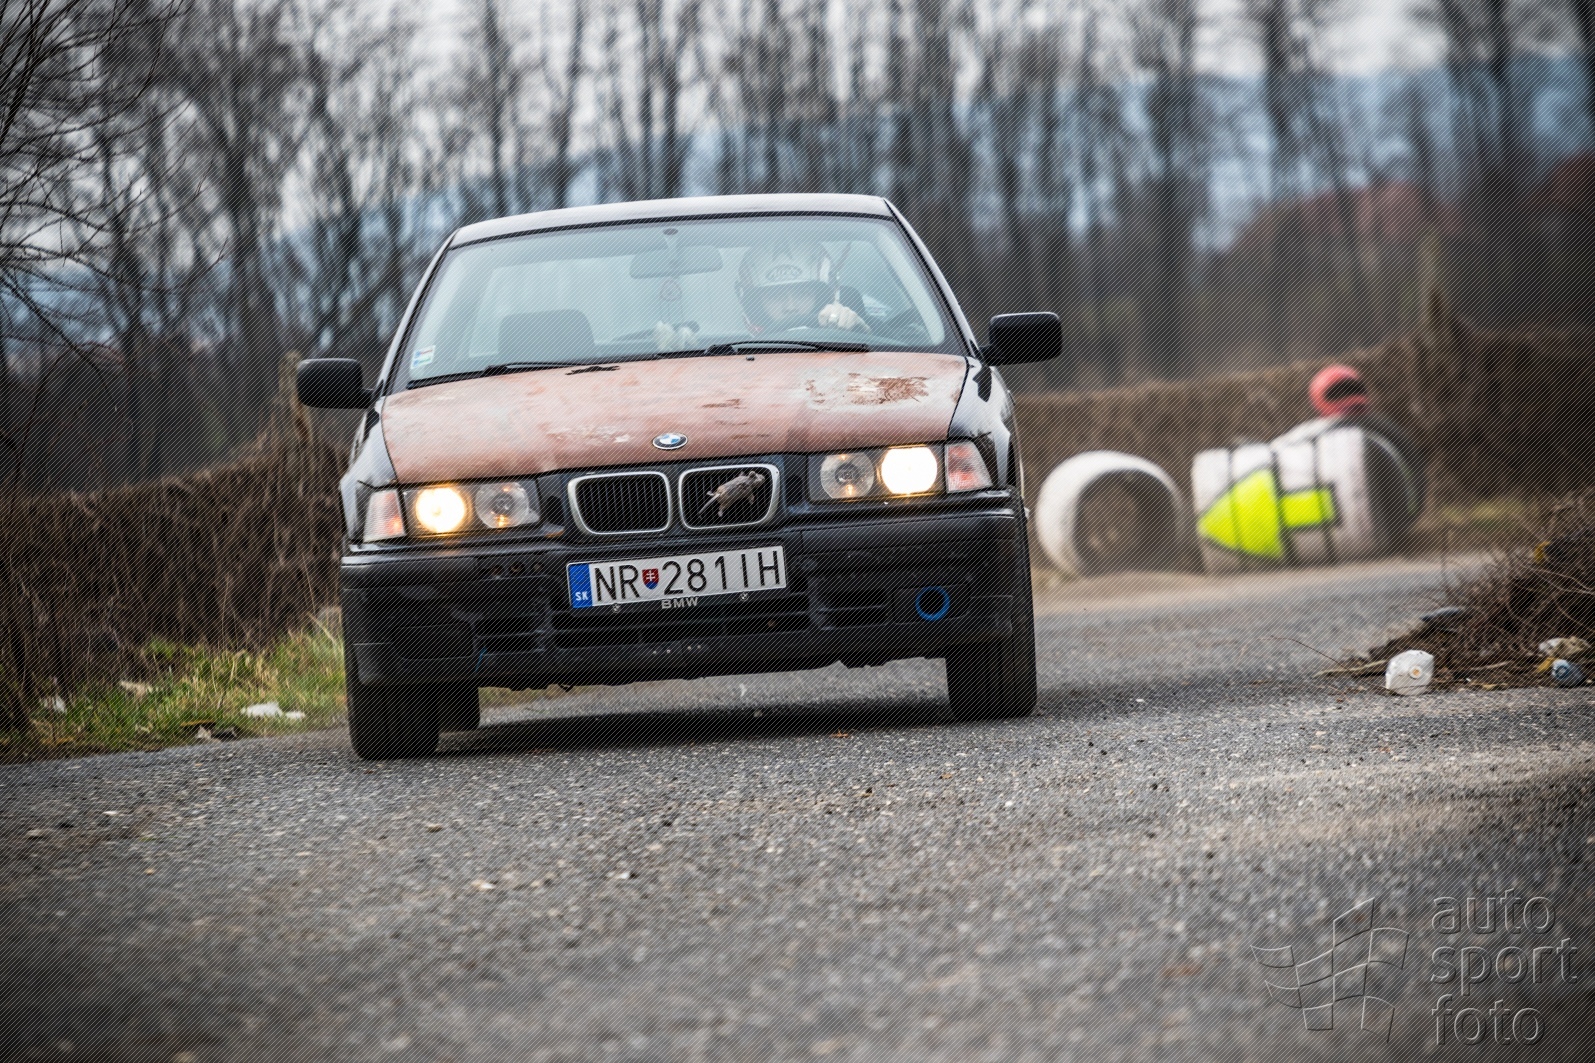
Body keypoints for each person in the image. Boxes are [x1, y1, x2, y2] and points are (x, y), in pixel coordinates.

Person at [736, 240, 867, 333]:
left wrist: (858, 333)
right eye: (775, 296)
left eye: (803, 293)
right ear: (756, 304)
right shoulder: (734, 353)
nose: (791, 307)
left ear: (821, 298)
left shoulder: (841, 345)